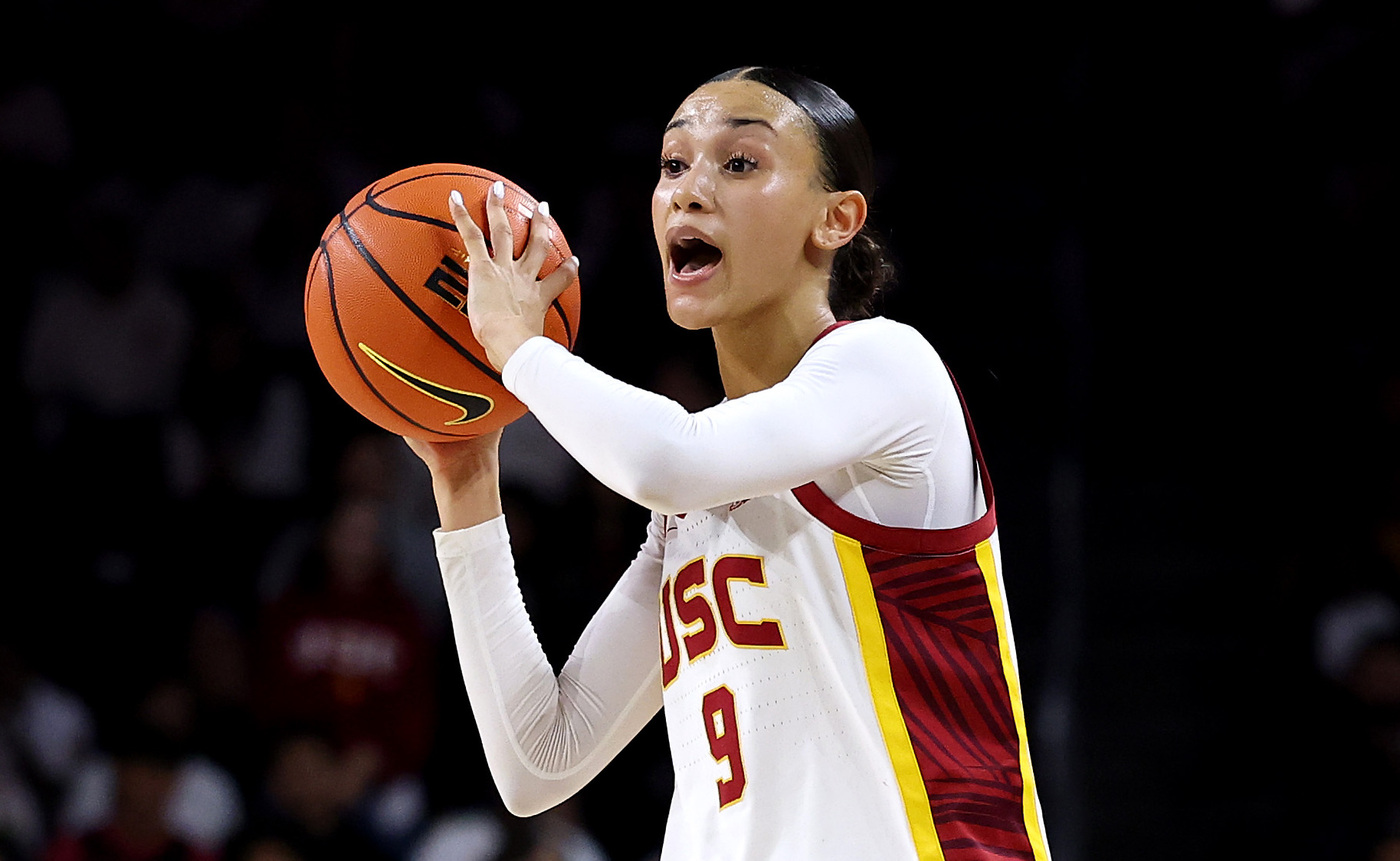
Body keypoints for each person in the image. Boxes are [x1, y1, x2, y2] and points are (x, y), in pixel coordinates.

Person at [407, 66, 1052, 860]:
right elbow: (541, 757)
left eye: (739, 162)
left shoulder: (890, 369)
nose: (688, 190)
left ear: (837, 218)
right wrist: (464, 475)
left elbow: (662, 457)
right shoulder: (695, 491)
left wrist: (520, 350)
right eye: (673, 164)